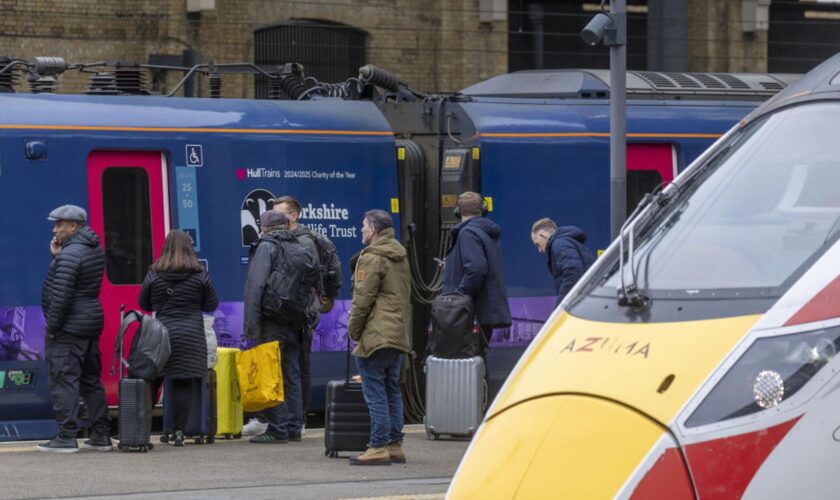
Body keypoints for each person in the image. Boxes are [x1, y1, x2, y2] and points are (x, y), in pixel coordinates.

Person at [38, 204, 110, 453]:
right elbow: (75, 280)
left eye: (59, 224)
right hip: (89, 323)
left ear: (74, 226)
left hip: (69, 326)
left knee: (64, 379)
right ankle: (101, 435)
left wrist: (53, 327)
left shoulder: (70, 254)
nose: (55, 229)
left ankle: (66, 436)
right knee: (90, 380)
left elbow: (62, 295)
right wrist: (57, 257)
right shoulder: (92, 250)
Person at [138, 230, 219, 447]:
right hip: (190, 334)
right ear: (189, 248)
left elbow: (144, 304)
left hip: (161, 334)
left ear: (166, 247)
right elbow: (211, 305)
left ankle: (141, 429)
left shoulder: (153, 273)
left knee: (152, 380)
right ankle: (178, 432)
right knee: (184, 383)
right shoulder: (199, 274)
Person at [243, 210, 317, 444]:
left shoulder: (266, 247)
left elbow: (255, 287)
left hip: (272, 320)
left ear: (264, 228)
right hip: (295, 320)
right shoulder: (300, 246)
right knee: (292, 374)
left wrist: (251, 327)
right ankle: (295, 427)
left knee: (272, 375)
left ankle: (278, 429)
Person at [347, 209, 411, 466]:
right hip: (397, 333)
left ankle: (377, 446)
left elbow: (362, 300)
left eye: (363, 226)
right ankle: (395, 445)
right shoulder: (399, 254)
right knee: (391, 389)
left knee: (375, 392)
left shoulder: (372, 257)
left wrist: (353, 330)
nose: (361, 230)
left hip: (377, 333)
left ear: (373, 230)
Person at [442, 192, 511, 351]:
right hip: (483, 310)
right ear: (483, 210)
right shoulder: (486, 233)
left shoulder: (467, 233)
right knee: (478, 359)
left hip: (470, 311)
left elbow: (476, 268)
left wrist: (459, 296)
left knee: (467, 360)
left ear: (458, 211)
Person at [530, 218, 596, 304]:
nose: (539, 250)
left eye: (537, 244)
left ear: (543, 235)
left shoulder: (559, 244)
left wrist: (561, 305)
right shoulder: (567, 242)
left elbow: (573, 273)